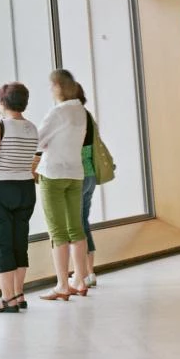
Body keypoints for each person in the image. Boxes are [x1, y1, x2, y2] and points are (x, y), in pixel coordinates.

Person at [0, 82, 39, 314]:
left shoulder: (0, 126)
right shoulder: (32, 128)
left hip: (0, 190)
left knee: (0, 243)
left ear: (3, 102)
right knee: (19, 242)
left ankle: (7, 298)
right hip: (25, 188)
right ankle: (19, 294)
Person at [34, 69, 91, 300]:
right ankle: (80, 280)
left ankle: (62, 285)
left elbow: (37, 141)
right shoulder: (80, 111)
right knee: (76, 229)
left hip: (53, 173)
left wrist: (47, 144)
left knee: (57, 232)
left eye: (51, 86)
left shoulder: (58, 112)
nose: (50, 90)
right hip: (75, 173)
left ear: (58, 86)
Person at [71, 83, 99, 292]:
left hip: (77, 176)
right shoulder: (87, 115)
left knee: (76, 225)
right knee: (83, 222)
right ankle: (89, 272)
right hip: (90, 174)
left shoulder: (72, 117)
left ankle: (82, 274)